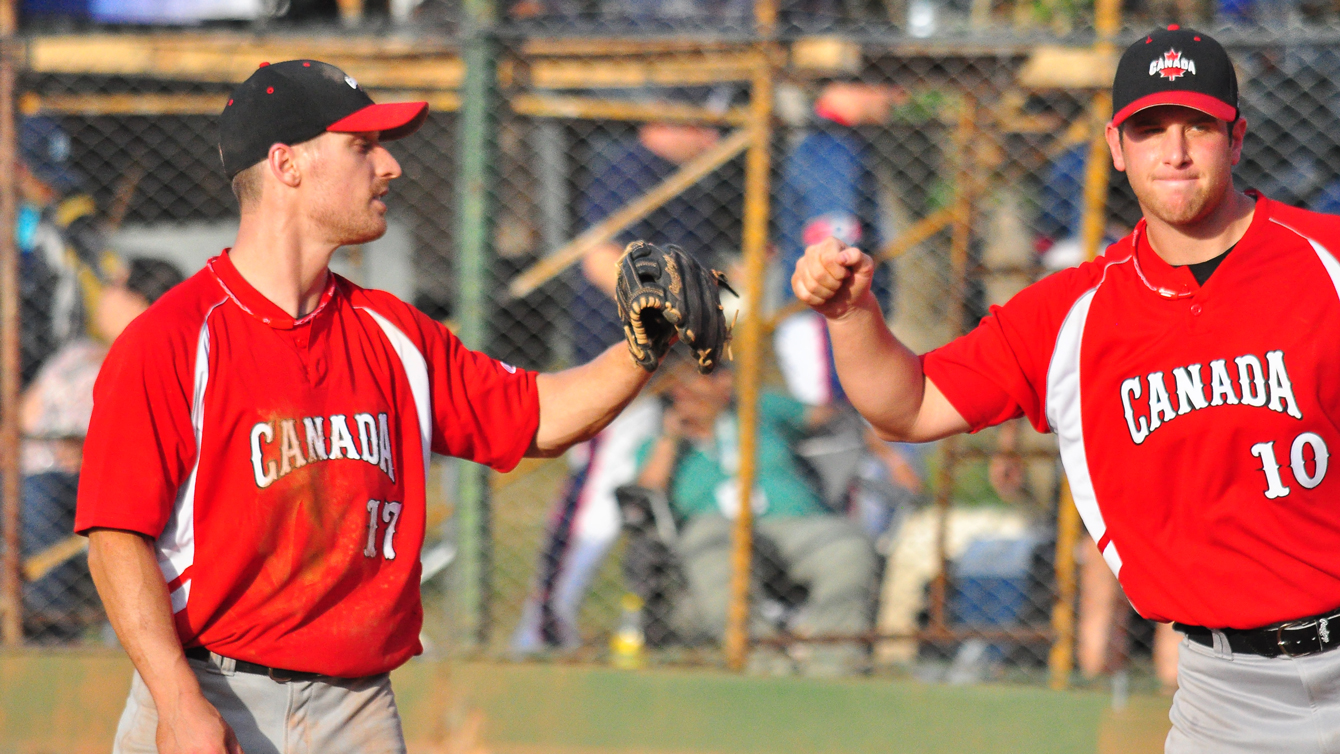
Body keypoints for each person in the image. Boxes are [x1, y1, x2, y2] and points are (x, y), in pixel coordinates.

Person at [75, 60, 663, 754]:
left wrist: (643, 346)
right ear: (286, 164)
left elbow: (539, 416)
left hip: (356, 711)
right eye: (362, 146)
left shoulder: (393, 334)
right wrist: (177, 699)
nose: (391, 166)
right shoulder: (174, 339)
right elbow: (116, 536)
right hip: (211, 691)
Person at [793, 25, 1340, 751]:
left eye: (1197, 126)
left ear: (1235, 139)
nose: (1173, 151)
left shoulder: (1324, 260)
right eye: (1149, 129)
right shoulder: (1073, 316)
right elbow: (910, 404)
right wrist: (850, 314)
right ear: (1117, 148)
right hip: (1223, 694)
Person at [634, 362, 876, 673]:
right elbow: (644, 495)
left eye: (705, 379)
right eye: (679, 384)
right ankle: (763, 663)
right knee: (710, 542)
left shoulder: (760, 407)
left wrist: (887, 453)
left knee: (847, 546)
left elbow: (832, 418)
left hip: (797, 523)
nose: (688, 391)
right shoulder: (659, 444)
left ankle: (832, 666)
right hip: (718, 532)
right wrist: (670, 439)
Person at [21, 257, 185, 642]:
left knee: (38, 494)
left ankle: (50, 626)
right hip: (27, 469)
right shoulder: (76, 354)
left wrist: (87, 450)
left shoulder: (154, 361)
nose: (104, 295)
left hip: (75, 482)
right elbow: (19, 424)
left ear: (142, 301)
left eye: (117, 286)